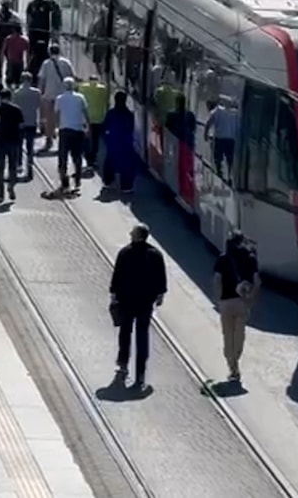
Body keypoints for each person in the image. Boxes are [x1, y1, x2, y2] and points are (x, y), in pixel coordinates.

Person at [109, 223, 167, 389]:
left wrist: (113, 295)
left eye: (132, 232)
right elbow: (161, 277)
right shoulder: (155, 254)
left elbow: (117, 275)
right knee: (142, 336)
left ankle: (123, 364)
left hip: (127, 300)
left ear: (137, 236)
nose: (129, 234)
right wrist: (160, 294)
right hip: (145, 302)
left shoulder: (125, 252)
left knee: (125, 332)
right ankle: (140, 375)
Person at [212, 231, 260, 381]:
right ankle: (236, 359)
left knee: (228, 335)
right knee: (240, 334)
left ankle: (233, 367)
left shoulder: (223, 259)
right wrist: (251, 297)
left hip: (226, 302)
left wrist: (218, 299)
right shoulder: (251, 258)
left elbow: (217, 280)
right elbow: (257, 281)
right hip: (243, 302)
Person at [53, 77, 88, 194]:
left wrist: (56, 128)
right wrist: (88, 127)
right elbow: (85, 113)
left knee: (63, 157)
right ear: (73, 86)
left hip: (65, 130)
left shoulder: (60, 98)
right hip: (78, 130)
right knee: (77, 157)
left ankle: (64, 181)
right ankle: (77, 181)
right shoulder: (80, 97)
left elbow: (56, 114)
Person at [38, 44, 74, 149]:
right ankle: (63, 142)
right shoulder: (66, 63)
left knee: (50, 118)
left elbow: (42, 79)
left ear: (50, 52)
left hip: (50, 95)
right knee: (63, 119)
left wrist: (41, 92)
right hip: (63, 95)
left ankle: (49, 140)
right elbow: (71, 77)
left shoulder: (46, 63)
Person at [0, 88, 25, 200]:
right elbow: (21, 126)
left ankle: (0, 194)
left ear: (0, 98)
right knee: (13, 168)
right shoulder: (17, 110)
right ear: (10, 97)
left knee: (0, 169)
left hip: (0, 141)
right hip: (13, 141)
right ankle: (11, 187)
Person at [102, 90, 136, 193]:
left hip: (113, 141)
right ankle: (126, 186)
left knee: (110, 162)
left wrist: (107, 138)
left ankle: (108, 182)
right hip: (125, 142)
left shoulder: (111, 113)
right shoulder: (129, 114)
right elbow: (131, 127)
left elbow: (105, 126)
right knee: (127, 164)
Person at [12, 73, 42, 179]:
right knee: (30, 146)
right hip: (32, 122)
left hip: (19, 123)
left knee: (18, 145)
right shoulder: (37, 93)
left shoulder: (16, 93)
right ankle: (29, 164)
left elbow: (14, 108)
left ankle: (19, 164)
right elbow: (39, 106)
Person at [25, 0, 61, 73]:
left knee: (39, 49)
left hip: (41, 30)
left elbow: (55, 9)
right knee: (33, 49)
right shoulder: (34, 4)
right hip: (39, 30)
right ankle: (30, 66)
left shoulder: (46, 4)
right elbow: (29, 17)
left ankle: (37, 66)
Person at [204, 95, 239, 180]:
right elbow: (238, 127)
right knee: (229, 158)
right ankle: (230, 175)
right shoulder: (235, 113)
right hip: (231, 139)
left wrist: (206, 133)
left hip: (219, 138)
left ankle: (219, 172)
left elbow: (209, 122)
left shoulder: (217, 111)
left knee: (218, 157)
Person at [78, 75, 108, 166]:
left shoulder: (83, 88)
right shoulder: (103, 89)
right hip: (99, 118)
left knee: (86, 138)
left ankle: (87, 157)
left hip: (86, 118)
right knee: (95, 139)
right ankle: (94, 157)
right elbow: (106, 101)